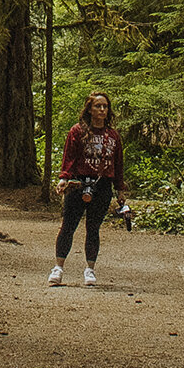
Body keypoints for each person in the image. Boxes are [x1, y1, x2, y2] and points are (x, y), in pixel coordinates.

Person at [48, 88, 128, 285]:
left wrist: (120, 190)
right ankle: (58, 268)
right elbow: (69, 157)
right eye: (98, 106)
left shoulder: (113, 136)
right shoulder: (78, 131)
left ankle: (90, 270)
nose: (102, 109)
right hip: (78, 184)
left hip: (102, 187)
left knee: (93, 228)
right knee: (68, 226)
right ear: (89, 109)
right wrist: (63, 178)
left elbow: (118, 165)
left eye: (105, 106)